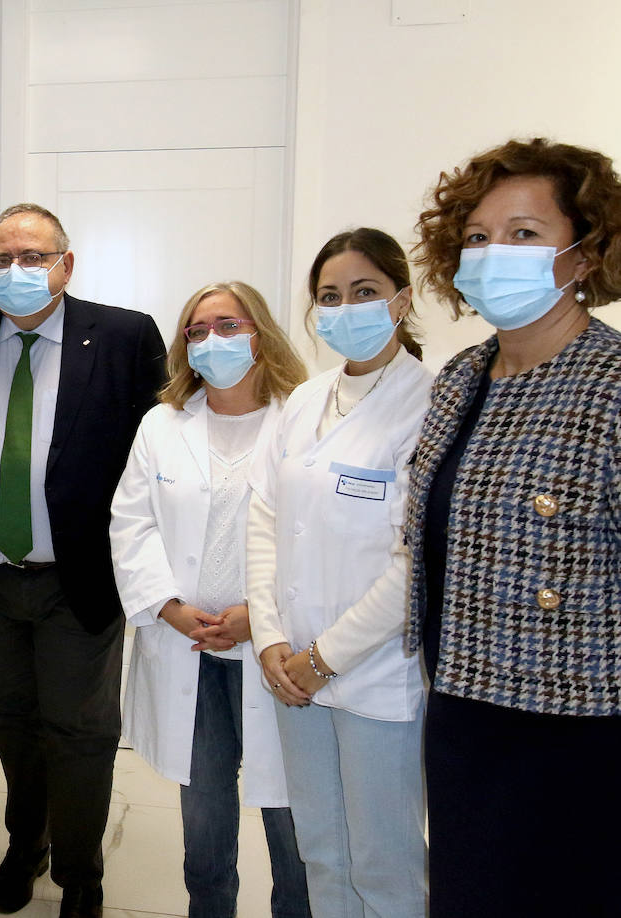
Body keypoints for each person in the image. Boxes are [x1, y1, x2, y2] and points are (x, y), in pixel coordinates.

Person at [0, 203, 166, 918]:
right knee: (13, 721)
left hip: (79, 579)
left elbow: (155, 460)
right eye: (1, 258)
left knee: (81, 732)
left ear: (66, 263)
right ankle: (23, 843)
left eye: (32, 256)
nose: (15, 270)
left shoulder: (123, 336)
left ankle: (80, 872)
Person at [407, 138, 621, 917]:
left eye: (525, 234)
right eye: (477, 237)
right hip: (463, 706)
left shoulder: (610, 384)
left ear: (585, 255)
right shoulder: (464, 376)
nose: (495, 253)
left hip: (576, 733)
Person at [110, 281, 310, 918]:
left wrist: (260, 616)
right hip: (189, 644)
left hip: (273, 647)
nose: (212, 341)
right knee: (204, 813)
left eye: (228, 325)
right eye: (197, 331)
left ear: (260, 333)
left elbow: (316, 535)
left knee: (290, 813)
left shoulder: (303, 418)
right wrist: (167, 606)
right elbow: (130, 522)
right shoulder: (163, 424)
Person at [246, 228, 430, 918]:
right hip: (293, 669)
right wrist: (271, 641)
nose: (344, 308)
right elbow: (263, 520)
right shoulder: (303, 401)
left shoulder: (428, 402)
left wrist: (328, 657)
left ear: (402, 300)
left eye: (364, 292)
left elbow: (416, 562)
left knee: (384, 861)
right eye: (329, 296)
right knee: (320, 848)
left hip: (375, 674)